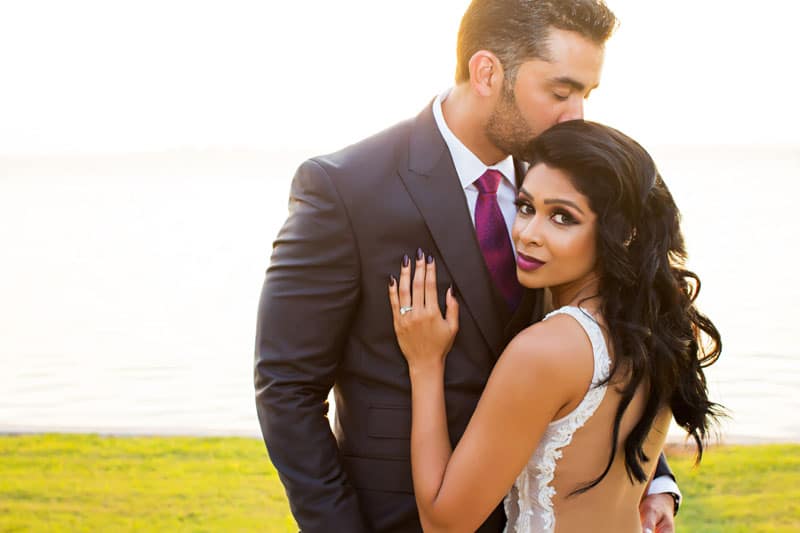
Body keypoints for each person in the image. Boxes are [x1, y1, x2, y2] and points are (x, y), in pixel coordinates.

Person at [255, 1, 680, 531]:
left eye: (585, 95)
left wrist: (649, 477)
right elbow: (287, 387)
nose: (576, 116)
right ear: (486, 73)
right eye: (560, 92)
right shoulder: (346, 188)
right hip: (400, 518)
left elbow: (612, 330)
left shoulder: (561, 183)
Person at [388, 120, 722, 532]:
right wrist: (662, 489)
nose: (527, 234)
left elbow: (445, 525)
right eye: (526, 207)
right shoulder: (663, 328)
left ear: (622, 234)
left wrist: (425, 364)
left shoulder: (545, 351)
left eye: (562, 217)